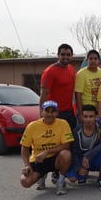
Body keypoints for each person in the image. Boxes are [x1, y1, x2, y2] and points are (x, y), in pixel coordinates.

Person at [38, 43, 76, 189]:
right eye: (63, 54)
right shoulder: (49, 71)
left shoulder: (71, 69)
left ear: (71, 56)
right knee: (51, 143)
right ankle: (43, 174)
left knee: (66, 146)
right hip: (53, 114)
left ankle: (58, 173)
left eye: (68, 54)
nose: (65, 57)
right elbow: (43, 95)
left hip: (68, 113)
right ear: (58, 55)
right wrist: (42, 115)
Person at [20, 100, 74, 195]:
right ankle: (41, 176)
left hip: (55, 159)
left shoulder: (63, 123)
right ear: (42, 112)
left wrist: (47, 151)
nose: (50, 114)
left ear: (57, 112)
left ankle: (60, 181)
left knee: (66, 154)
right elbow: (24, 147)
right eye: (47, 111)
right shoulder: (32, 126)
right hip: (38, 160)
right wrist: (27, 165)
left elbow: (67, 145)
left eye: (53, 111)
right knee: (25, 181)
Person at [66, 104, 101, 190]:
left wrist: (88, 155)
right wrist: (78, 168)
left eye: (91, 116)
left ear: (96, 116)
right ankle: (83, 174)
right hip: (80, 159)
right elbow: (74, 151)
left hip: (93, 157)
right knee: (72, 179)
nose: (88, 119)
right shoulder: (76, 130)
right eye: (85, 116)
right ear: (81, 117)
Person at [75, 50, 101, 123]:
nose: (93, 61)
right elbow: (78, 95)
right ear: (87, 60)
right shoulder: (81, 74)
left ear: (99, 60)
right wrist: (80, 114)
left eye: (95, 59)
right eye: (90, 58)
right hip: (86, 111)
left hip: (99, 110)